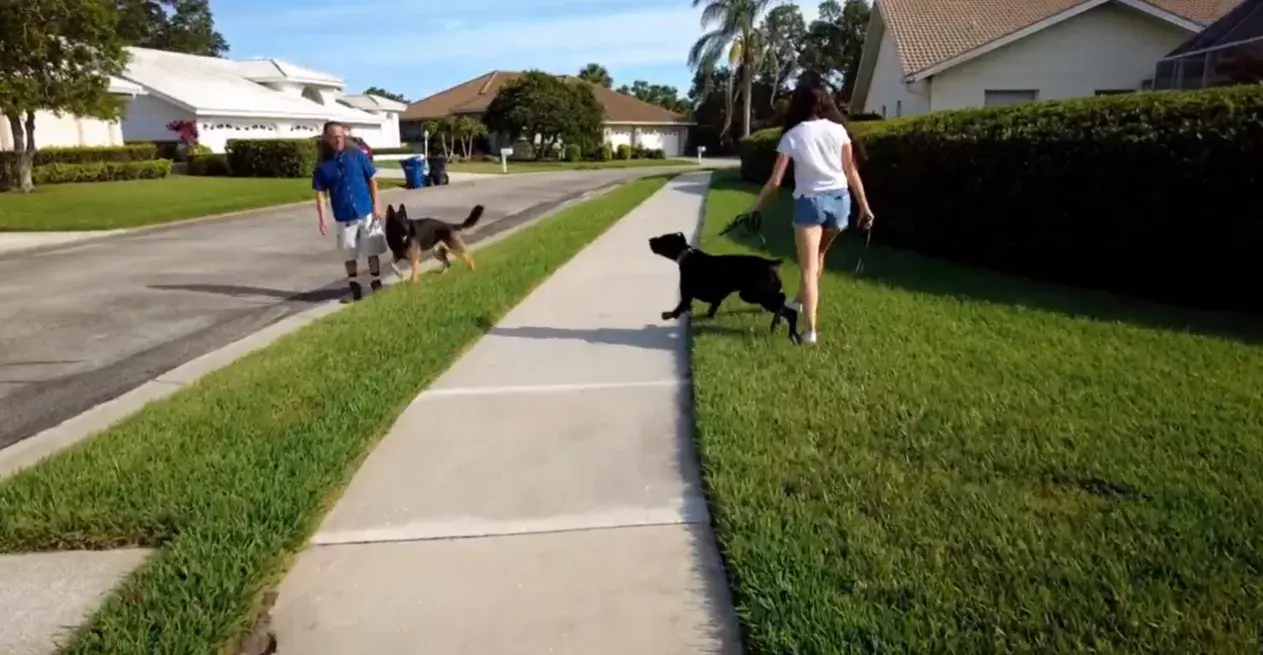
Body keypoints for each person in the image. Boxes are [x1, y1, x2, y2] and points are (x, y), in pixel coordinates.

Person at [747, 79, 875, 346]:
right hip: (840, 203)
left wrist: (755, 206)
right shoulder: (839, 130)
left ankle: (809, 332)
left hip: (810, 204)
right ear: (824, 104)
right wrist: (864, 206)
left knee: (807, 268)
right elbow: (851, 171)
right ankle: (796, 302)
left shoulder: (792, 136)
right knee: (818, 256)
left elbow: (775, 181)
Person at [313, 121, 386, 302]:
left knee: (372, 249)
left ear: (344, 136)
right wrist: (323, 219)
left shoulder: (357, 156)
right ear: (326, 138)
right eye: (333, 137)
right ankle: (354, 286)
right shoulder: (323, 167)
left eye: (340, 136)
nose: (337, 140)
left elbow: (372, 180)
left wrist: (377, 205)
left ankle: (376, 282)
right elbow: (320, 195)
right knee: (349, 252)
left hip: (366, 212)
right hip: (344, 217)